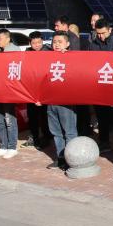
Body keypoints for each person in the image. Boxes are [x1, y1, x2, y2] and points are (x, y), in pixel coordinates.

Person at [45, 32, 78, 171]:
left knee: (69, 132)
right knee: (56, 132)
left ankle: (72, 159)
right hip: (50, 101)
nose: (57, 44)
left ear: (67, 44)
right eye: (54, 42)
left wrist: (68, 56)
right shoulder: (47, 58)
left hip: (66, 102)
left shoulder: (73, 58)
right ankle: (61, 158)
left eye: (60, 42)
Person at [88, 18, 113, 152]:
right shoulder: (92, 44)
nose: (101, 36)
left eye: (103, 33)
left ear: (110, 30)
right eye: (98, 33)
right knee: (101, 116)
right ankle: (104, 142)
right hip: (99, 86)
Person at [0, 29, 19, 159]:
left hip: (8, 91)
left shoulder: (14, 51)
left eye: (0, 38)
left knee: (9, 119)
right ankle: (3, 146)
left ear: (8, 39)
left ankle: (12, 147)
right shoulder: (0, 51)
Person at [22, 31, 49, 150]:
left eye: (39, 42)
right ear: (30, 43)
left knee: (44, 115)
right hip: (31, 91)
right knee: (32, 115)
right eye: (34, 43)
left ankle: (46, 137)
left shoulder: (49, 51)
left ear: (42, 41)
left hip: (44, 90)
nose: (37, 45)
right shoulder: (27, 53)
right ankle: (34, 137)